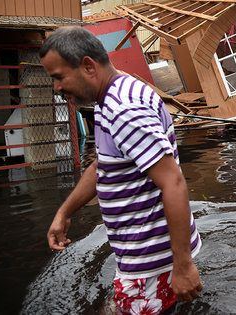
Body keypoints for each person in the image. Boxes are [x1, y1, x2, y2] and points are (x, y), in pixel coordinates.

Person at [40, 26, 202, 314]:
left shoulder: (124, 111)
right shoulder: (110, 97)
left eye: (59, 77)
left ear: (88, 66)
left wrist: (183, 266)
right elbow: (103, 164)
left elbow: (173, 183)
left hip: (149, 259)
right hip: (147, 253)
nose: (57, 88)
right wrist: (64, 213)